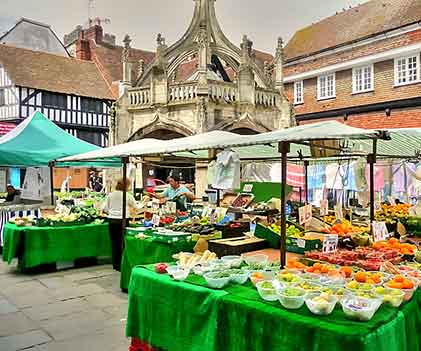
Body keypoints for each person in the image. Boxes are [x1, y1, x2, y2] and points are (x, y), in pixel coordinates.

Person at [102, 178, 141, 271]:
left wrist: (112, 212)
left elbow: (105, 208)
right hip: (123, 221)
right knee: (123, 242)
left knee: (114, 242)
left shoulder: (110, 195)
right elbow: (136, 207)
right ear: (126, 185)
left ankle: (115, 264)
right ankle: (122, 264)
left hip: (112, 221)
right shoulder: (127, 195)